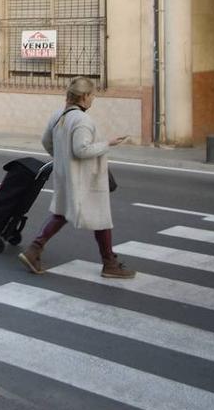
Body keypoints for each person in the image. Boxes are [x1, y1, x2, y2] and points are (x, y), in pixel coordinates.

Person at [18, 76, 135, 279]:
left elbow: (46, 141)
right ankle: (110, 264)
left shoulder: (58, 115)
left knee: (62, 213)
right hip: (86, 178)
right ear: (84, 96)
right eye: (92, 96)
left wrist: (62, 159)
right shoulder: (82, 120)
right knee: (101, 218)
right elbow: (81, 150)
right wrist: (109, 144)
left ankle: (34, 250)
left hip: (66, 175)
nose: (93, 100)